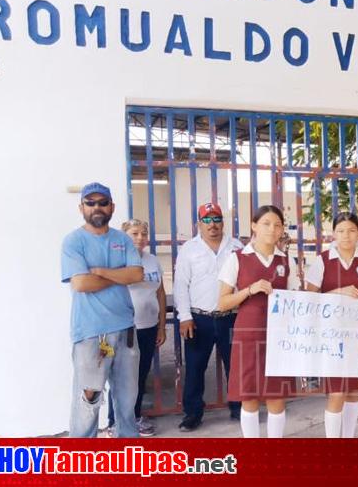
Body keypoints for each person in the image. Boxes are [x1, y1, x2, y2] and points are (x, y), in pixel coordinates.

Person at [61, 182, 144, 438]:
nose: (97, 207)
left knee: (127, 399)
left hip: (126, 333)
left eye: (102, 202)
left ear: (112, 207)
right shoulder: (73, 241)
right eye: (91, 203)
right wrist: (120, 275)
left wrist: (101, 272)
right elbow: (81, 283)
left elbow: (137, 274)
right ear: (81, 207)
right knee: (89, 400)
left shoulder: (122, 239)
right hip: (90, 334)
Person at [217, 205, 299, 438]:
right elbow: (223, 303)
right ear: (253, 226)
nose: (272, 229)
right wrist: (249, 290)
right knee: (249, 397)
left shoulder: (287, 261)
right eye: (266, 223)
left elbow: (295, 301)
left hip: (279, 338)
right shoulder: (237, 258)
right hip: (249, 336)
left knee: (276, 398)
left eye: (277, 225)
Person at [304, 212, 358, 438]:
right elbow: (309, 300)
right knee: (337, 393)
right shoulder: (322, 261)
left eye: (352, 230)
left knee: (354, 392)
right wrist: (338, 292)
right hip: (331, 339)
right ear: (333, 234)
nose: (346, 236)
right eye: (341, 231)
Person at [173, 202, 244, 431]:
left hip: (230, 317)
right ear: (198, 224)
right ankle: (193, 413)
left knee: (236, 366)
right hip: (198, 319)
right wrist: (184, 317)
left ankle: (239, 408)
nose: (212, 225)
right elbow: (181, 285)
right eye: (207, 220)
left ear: (223, 221)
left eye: (216, 219)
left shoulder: (236, 247)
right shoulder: (189, 249)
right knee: (195, 368)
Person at [106, 219, 167, 437]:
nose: (140, 238)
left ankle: (135, 417)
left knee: (140, 375)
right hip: (125, 328)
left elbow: (160, 292)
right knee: (120, 377)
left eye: (143, 233)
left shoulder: (151, 260)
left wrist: (161, 326)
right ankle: (115, 422)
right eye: (134, 233)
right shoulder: (117, 261)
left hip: (148, 327)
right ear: (124, 236)